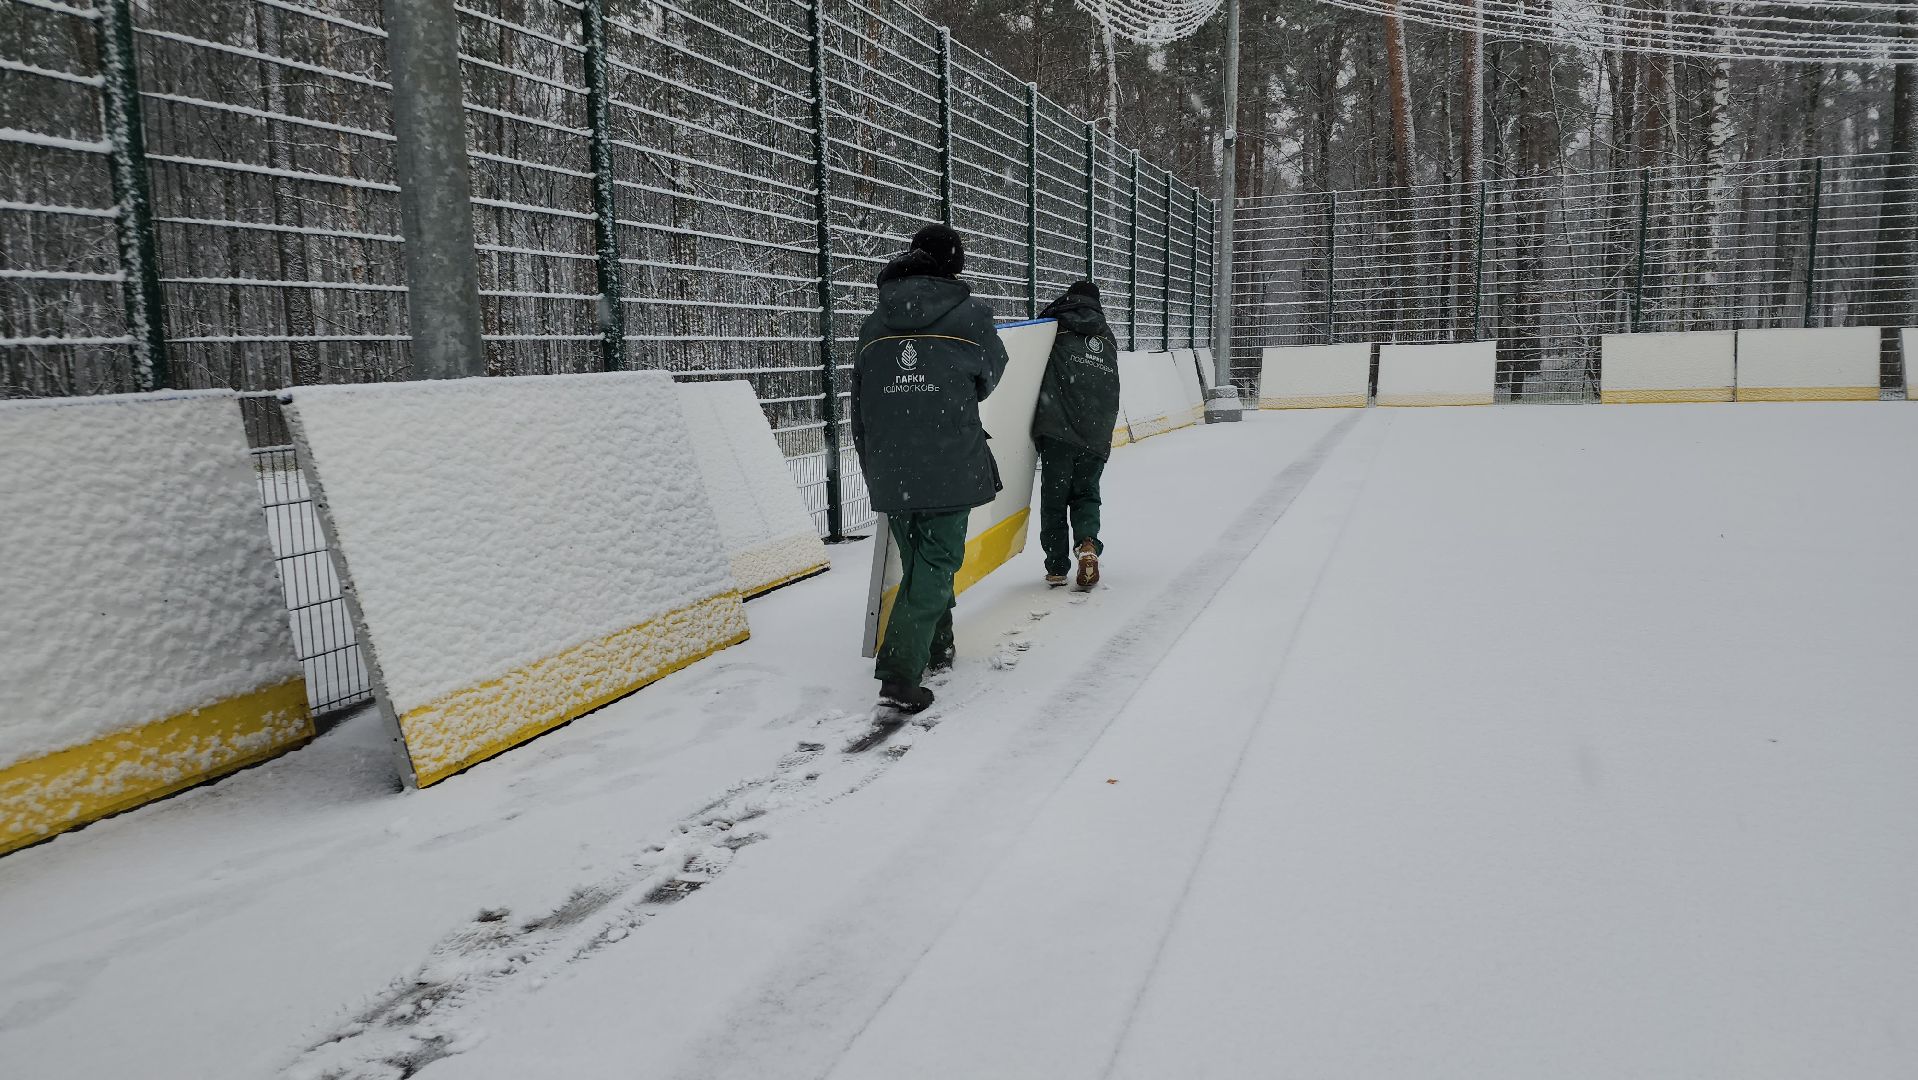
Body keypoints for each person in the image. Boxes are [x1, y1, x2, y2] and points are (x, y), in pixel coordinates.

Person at [851, 223, 1010, 713]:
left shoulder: (874, 321)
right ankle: (900, 673)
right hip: (947, 457)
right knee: (937, 565)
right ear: (953, 263)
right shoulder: (970, 315)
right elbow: (992, 374)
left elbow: (861, 397)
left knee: (921, 559)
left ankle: (937, 645)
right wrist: (946, 393)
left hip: (889, 463)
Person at [1031, 280, 1120, 590]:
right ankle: (1087, 545)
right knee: (1086, 495)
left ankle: (1056, 567)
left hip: (1057, 429)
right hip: (1096, 431)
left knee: (1054, 500)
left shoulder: (1054, 326)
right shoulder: (1108, 336)